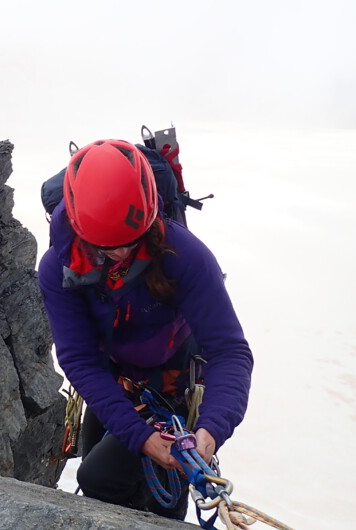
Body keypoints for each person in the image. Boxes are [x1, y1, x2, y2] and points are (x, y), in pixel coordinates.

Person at [37, 139, 253, 519]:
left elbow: (229, 351)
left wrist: (212, 427)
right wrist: (140, 437)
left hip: (173, 381)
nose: (120, 255)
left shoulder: (183, 254)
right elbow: (79, 359)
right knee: (101, 479)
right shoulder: (58, 267)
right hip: (114, 376)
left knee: (107, 478)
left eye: (129, 243)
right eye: (105, 247)